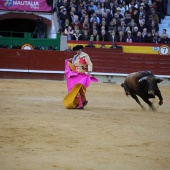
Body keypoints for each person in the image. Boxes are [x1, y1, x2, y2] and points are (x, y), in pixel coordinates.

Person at [63, 45, 98, 110]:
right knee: (79, 88)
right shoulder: (76, 56)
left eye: (78, 50)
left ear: (80, 50)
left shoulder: (85, 55)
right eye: (76, 51)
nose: (77, 52)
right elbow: (75, 62)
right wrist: (70, 59)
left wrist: (89, 71)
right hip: (75, 73)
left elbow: (89, 63)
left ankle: (80, 104)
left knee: (75, 88)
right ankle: (84, 100)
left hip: (81, 74)